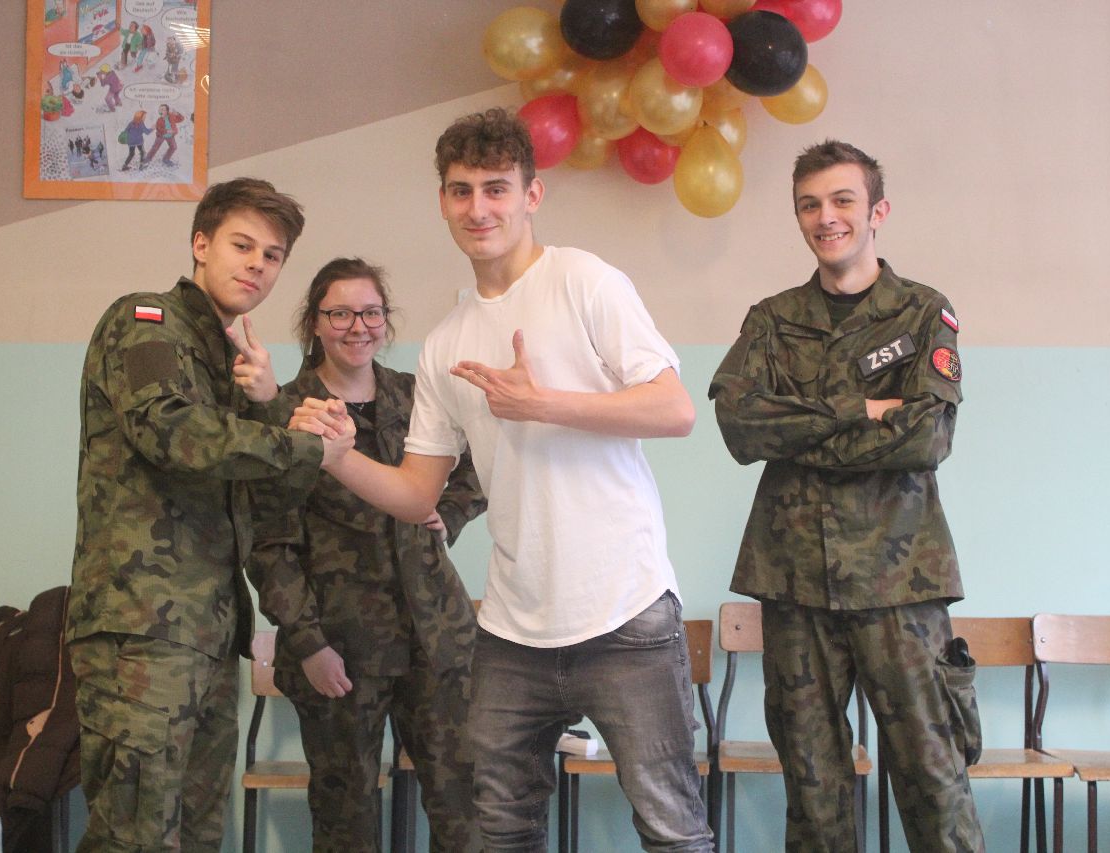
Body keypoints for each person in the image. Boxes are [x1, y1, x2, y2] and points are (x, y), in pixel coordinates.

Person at [291, 108, 713, 853]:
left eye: (496, 188)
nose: (478, 208)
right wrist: (339, 457)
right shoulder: (446, 343)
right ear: (443, 201)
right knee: (500, 831)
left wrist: (541, 403)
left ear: (531, 195)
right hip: (512, 634)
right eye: (461, 191)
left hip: (625, 611)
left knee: (672, 829)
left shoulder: (584, 280)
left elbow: (674, 409)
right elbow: (418, 495)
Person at [708, 140, 982, 852]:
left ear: (877, 212)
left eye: (842, 200)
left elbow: (925, 436)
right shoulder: (772, 319)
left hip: (900, 580)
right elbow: (740, 425)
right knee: (813, 787)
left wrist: (799, 430)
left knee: (933, 777)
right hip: (794, 579)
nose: (825, 217)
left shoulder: (923, 312)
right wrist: (860, 410)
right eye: (810, 204)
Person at [67, 177, 356, 853]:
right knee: (134, 837)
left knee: (199, 835)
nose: (257, 265)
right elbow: (170, 432)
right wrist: (300, 443)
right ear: (201, 243)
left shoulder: (229, 360)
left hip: (209, 631)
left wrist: (272, 404)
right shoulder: (146, 320)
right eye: (241, 245)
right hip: (141, 630)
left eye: (273, 255)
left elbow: (262, 496)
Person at [251, 257, 486, 852]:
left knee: (464, 806)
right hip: (341, 645)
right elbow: (269, 544)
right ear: (315, 322)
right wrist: (308, 643)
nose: (358, 327)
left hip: (437, 635)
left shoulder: (416, 394)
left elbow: (482, 462)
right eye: (340, 313)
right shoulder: (288, 412)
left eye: (371, 312)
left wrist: (451, 512)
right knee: (346, 817)